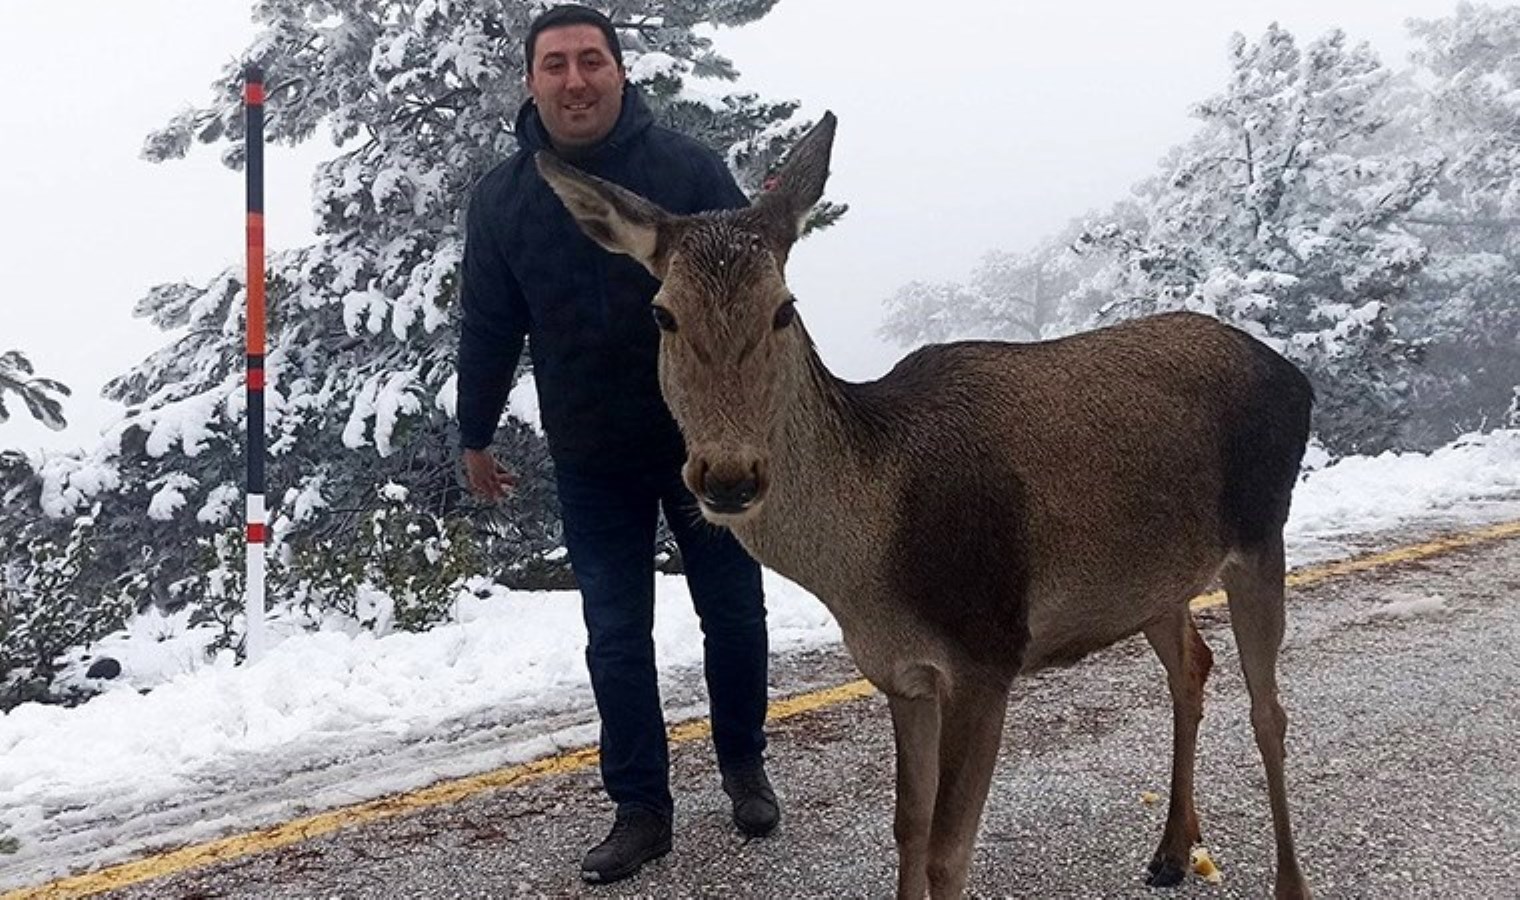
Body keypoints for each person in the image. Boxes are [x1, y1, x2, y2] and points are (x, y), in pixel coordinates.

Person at [455, 3, 779, 885]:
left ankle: (744, 765)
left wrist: (766, 418)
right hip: (592, 452)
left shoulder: (688, 169)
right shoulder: (504, 200)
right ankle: (641, 810)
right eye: (555, 64)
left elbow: (757, 299)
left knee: (734, 615)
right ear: (531, 82)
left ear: (620, 71)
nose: (576, 80)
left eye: (591, 60)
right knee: (616, 636)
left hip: (704, 447)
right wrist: (475, 430)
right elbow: (489, 324)